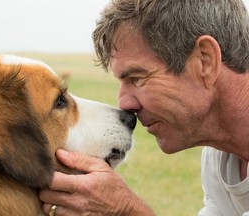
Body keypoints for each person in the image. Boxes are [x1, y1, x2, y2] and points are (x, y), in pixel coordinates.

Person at [39, 0, 249, 215]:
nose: (124, 104)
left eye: (138, 78)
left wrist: (126, 210)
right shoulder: (221, 156)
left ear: (205, 61)